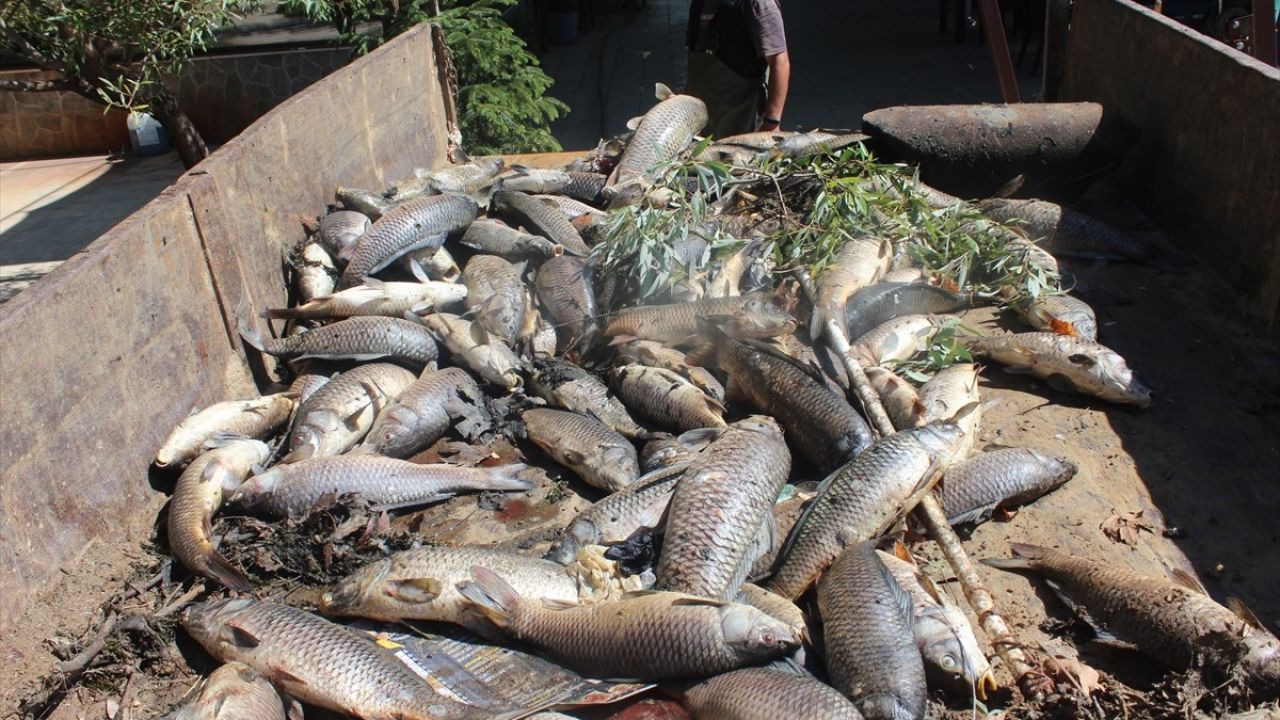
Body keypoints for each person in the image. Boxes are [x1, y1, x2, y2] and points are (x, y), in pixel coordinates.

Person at [685, 0, 790, 138]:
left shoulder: (758, 3)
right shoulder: (699, 3)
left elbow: (779, 61)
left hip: (741, 120)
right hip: (702, 123)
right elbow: (699, 60)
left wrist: (772, 122)